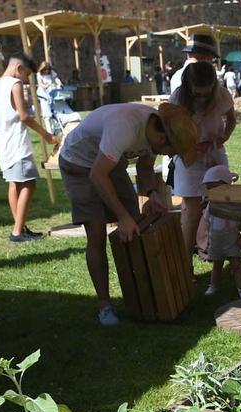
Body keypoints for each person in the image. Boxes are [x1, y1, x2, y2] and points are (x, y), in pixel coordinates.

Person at [57, 102, 198, 326]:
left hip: (108, 163)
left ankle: (140, 295)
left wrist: (152, 193)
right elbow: (97, 175)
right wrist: (122, 217)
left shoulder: (157, 127)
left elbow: (144, 167)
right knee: (96, 232)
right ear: (162, 140)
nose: (171, 156)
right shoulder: (124, 127)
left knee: (135, 225)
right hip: (78, 163)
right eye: (173, 153)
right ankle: (105, 306)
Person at [169, 61, 237, 260]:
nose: (202, 98)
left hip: (214, 153)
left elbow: (232, 119)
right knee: (191, 210)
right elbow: (169, 131)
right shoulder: (177, 98)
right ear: (188, 87)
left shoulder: (222, 94)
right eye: (198, 94)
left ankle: (221, 252)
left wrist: (224, 136)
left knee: (221, 202)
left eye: (206, 94)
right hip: (187, 156)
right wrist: (188, 147)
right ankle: (184, 262)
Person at [0, 52, 58, 244]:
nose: (27, 80)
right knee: (29, 183)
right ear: (18, 69)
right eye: (27, 75)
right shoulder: (15, 84)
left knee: (14, 184)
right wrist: (47, 135)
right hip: (17, 143)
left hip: (3, 144)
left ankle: (21, 227)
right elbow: (24, 116)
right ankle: (18, 231)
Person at [199, 165, 241, 299]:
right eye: (209, 189)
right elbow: (206, 222)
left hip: (231, 239)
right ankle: (213, 285)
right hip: (216, 239)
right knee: (217, 265)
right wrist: (205, 239)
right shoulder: (211, 204)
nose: (211, 192)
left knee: (236, 264)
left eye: (214, 188)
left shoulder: (234, 203)